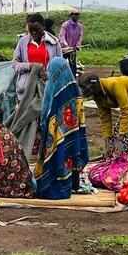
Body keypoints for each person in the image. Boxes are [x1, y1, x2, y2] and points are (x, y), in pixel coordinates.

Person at [34, 57, 89, 199]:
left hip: (56, 134)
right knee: (68, 156)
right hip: (72, 135)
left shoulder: (52, 88)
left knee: (55, 157)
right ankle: (68, 187)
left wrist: (43, 128)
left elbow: (46, 112)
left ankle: (52, 189)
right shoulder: (75, 90)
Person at [11, 13, 63, 103]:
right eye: (31, 30)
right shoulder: (23, 42)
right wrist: (29, 66)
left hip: (47, 87)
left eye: (37, 29)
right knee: (26, 116)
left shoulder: (54, 43)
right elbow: (15, 64)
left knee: (45, 115)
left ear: (43, 26)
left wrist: (49, 75)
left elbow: (61, 66)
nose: (33, 33)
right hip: (26, 88)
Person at [59, 9, 84, 76]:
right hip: (64, 49)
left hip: (73, 49)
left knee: (73, 65)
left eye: (77, 15)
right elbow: (62, 36)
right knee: (61, 64)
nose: (76, 16)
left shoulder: (80, 26)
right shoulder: (65, 25)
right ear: (71, 15)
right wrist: (66, 45)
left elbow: (80, 37)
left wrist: (78, 46)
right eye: (75, 14)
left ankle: (73, 79)